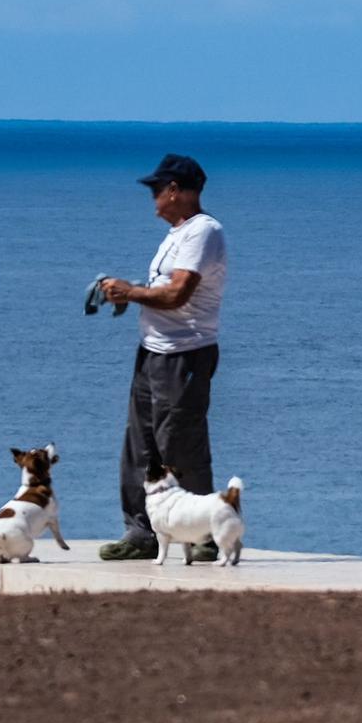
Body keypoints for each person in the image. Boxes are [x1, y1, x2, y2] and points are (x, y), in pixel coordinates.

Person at [95, 153, 228, 562]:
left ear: (176, 190)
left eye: (157, 189)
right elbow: (163, 289)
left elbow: (177, 294)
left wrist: (128, 293)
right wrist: (130, 291)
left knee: (180, 444)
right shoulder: (178, 234)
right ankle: (141, 534)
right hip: (153, 353)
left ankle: (204, 536)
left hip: (184, 355)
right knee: (141, 444)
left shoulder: (204, 232)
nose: (153, 198)